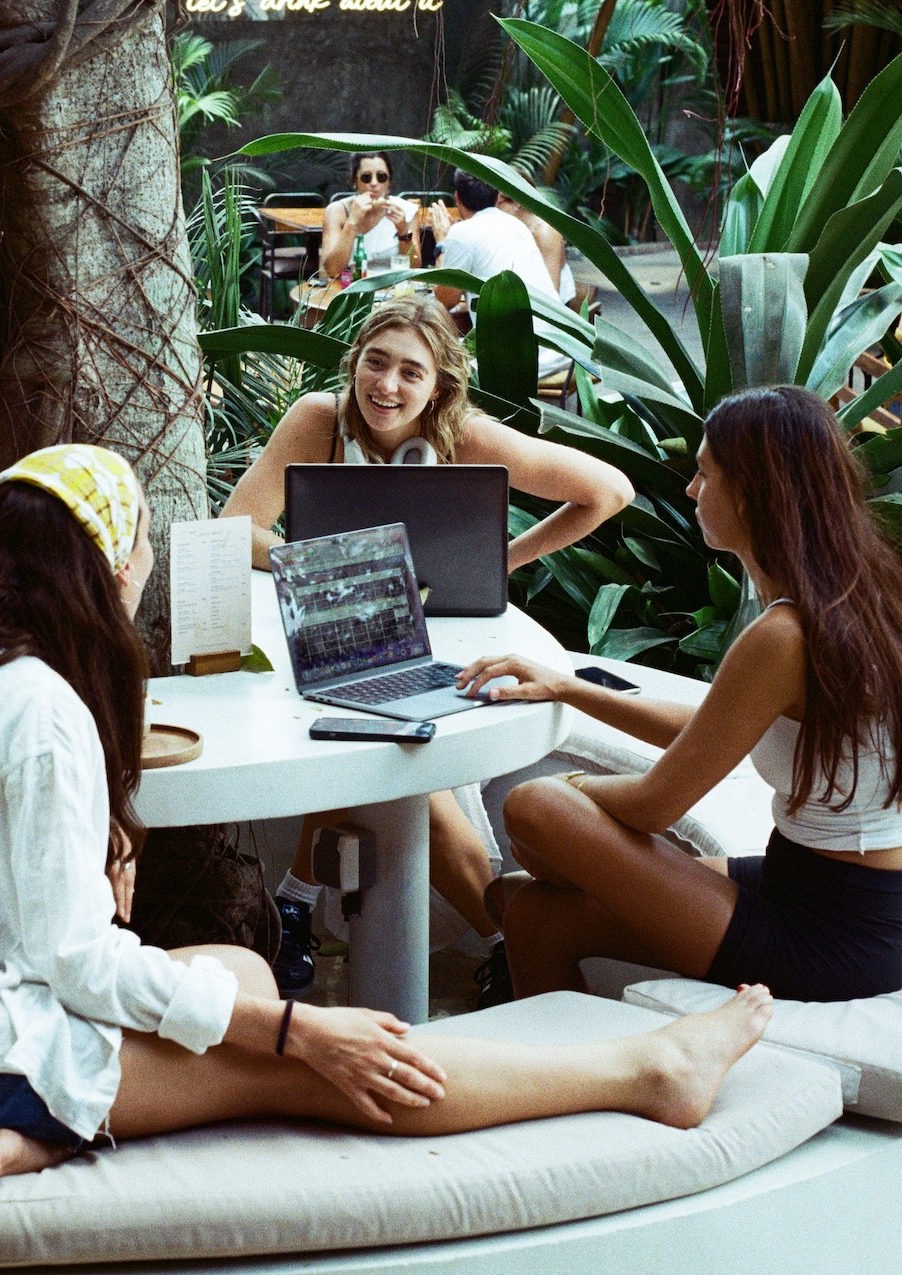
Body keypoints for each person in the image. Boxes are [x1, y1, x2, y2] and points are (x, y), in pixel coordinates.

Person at [0, 441, 769, 1186]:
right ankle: (646, 1071)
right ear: (110, 568)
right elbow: (78, 963)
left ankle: (45, 1128)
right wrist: (299, 1033)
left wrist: (242, 994)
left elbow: (25, 917)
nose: (143, 570)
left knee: (241, 971)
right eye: (140, 547)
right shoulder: (31, 701)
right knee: (334, 1063)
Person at [220, 294, 633, 994]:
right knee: (370, 745)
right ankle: (504, 949)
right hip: (339, 635)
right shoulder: (319, 421)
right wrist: (343, 569)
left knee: (402, 770)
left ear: (439, 385)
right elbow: (237, 529)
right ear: (353, 362)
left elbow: (608, 491)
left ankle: (296, 903)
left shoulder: (466, 436)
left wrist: (503, 560)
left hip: (445, 639)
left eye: (410, 372)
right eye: (374, 363)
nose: (386, 385)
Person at [460, 386, 902, 1002]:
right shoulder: (850, 594)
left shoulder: (786, 633)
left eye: (704, 473)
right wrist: (567, 688)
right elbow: (716, 727)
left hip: (838, 934)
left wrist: (574, 795)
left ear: (749, 495)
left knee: (535, 807)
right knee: (529, 910)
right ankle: (564, 1058)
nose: (692, 491)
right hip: (817, 887)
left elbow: (653, 807)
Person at [429, 169, 569, 368]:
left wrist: (442, 241)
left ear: (457, 198)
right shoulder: (516, 225)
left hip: (520, 363)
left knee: (432, 360)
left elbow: (444, 301)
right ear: (498, 197)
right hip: (557, 352)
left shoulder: (461, 232)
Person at [321, 153, 417, 280]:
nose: (374, 183)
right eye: (366, 177)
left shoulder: (405, 210)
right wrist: (352, 222)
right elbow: (332, 270)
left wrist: (403, 233)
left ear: (389, 182)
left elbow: (415, 267)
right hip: (350, 286)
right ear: (355, 181)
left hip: (392, 286)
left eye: (381, 177)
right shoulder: (337, 211)